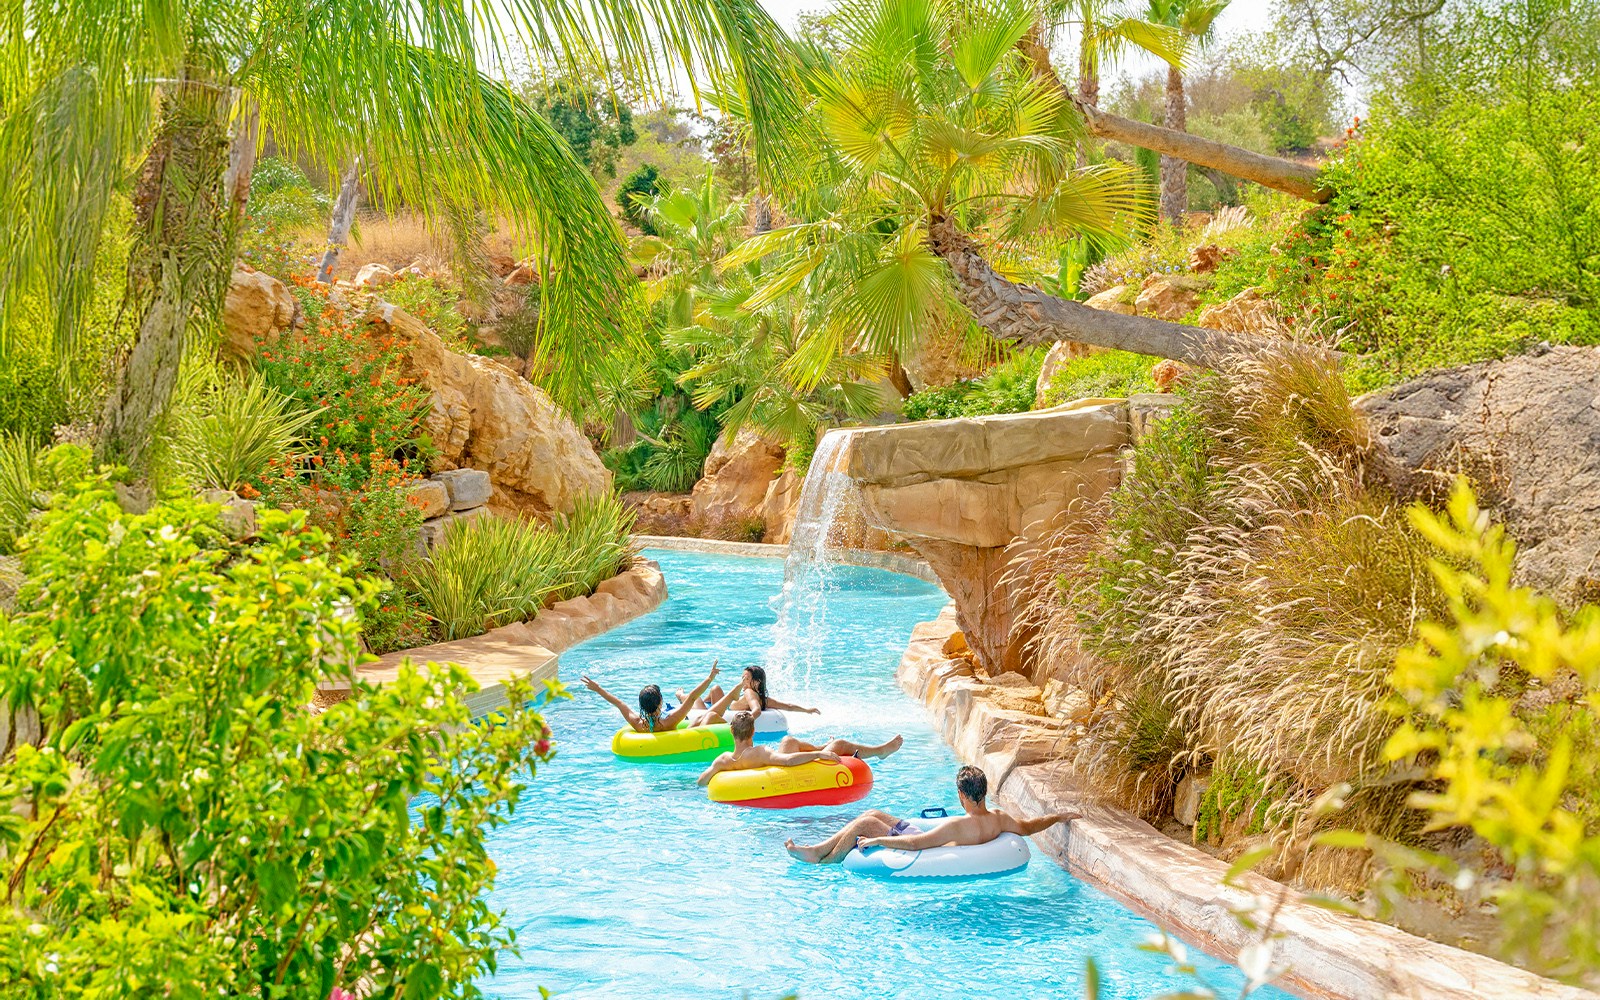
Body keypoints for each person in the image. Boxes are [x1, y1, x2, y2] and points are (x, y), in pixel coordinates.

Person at [784, 764, 1080, 864]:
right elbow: (1028, 827)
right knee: (875, 812)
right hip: (925, 836)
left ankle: (824, 858)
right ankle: (820, 849)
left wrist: (877, 842)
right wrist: (1058, 816)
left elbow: (916, 844)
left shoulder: (956, 826)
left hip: (921, 844)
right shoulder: (999, 819)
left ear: (963, 795)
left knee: (867, 822)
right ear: (984, 792)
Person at [695, 711, 905, 786]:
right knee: (840, 744)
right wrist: (818, 754)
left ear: (732, 732)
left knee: (788, 741)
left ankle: (822, 744)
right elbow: (787, 762)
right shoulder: (759, 752)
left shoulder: (723, 759)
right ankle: (880, 751)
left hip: (753, 770)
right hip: (781, 773)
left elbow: (702, 781)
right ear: (753, 733)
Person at [581, 662, 743, 733]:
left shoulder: (637, 724)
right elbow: (693, 697)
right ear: (660, 704)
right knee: (710, 715)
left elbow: (618, 702)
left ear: (642, 707)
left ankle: (730, 697)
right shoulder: (670, 720)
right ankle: (733, 732)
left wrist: (598, 689)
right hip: (681, 740)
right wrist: (709, 678)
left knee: (704, 715)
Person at [679, 664, 821, 725]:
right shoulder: (764, 699)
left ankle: (682, 696)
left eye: (746, 679)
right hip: (725, 705)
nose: (743, 682)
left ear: (757, 682)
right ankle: (697, 700)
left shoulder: (749, 692)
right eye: (742, 678)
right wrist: (806, 710)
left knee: (703, 695)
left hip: (726, 709)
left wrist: (746, 721)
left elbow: (756, 710)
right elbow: (788, 706)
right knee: (715, 690)